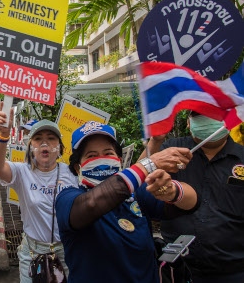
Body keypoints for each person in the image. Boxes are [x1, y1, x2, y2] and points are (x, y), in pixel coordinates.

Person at [56, 121, 199, 283]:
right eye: (91, 155)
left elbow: (192, 202)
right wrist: (149, 165)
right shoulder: (68, 198)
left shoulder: (135, 194)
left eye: (108, 153)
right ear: (77, 167)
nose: (102, 160)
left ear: (118, 158)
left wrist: (173, 191)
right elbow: (91, 204)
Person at [142, 111, 244, 282]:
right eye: (198, 115)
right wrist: (155, 142)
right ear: (188, 123)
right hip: (177, 270)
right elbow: (139, 179)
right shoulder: (171, 150)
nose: (208, 119)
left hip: (234, 271)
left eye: (214, 113)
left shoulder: (241, 158)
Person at [0, 111, 79, 282]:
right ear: (30, 146)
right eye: (38, 139)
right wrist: (3, 135)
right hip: (32, 253)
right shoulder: (22, 171)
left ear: (60, 147)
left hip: (67, 251)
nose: (44, 143)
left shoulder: (72, 173)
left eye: (51, 138)